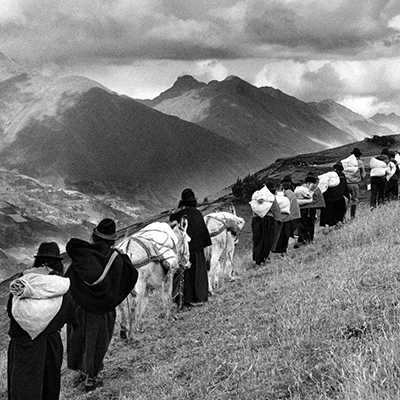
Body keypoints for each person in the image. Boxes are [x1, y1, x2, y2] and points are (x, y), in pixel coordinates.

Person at [66, 218, 138, 392]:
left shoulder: (82, 255)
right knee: (97, 342)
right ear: (112, 240)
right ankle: (91, 378)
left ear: (94, 236)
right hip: (103, 310)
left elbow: (69, 278)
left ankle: (82, 370)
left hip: (81, 307)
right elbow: (131, 275)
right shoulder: (117, 260)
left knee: (80, 339)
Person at [7, 242, 78, 400]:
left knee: (22, 387)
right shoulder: (59, 283)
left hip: (22, 343)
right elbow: (67, 311)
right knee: (49, 387)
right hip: (49, 344)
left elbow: (10, 310)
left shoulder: (23, 280)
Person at [170, 188, 211, 309]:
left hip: (182, 251)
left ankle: (183, 298)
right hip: (197, 249)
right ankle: (199, 296)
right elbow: (203, 232)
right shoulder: (197, 214)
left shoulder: (177, 215)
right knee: (198, 272)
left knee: (184, 274)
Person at [250, 180, 282, 265]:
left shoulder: (256, 196)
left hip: (256, 219)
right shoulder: (271, 197)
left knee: (257, 239)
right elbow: (276, 209)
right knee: (267, 239)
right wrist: (278, 219)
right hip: (268, 219)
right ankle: (264, 257)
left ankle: (257, 258)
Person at [294, 172, 325, 246]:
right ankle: (309, 239)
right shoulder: (315, 188)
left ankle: (301, 239)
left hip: (301, 208)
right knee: (310, 224)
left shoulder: (301, 188)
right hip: (311, 209)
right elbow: (318, 197)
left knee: (301, 223)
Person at [272, 176, 301, 255]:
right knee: (290, 231)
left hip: (290, 215)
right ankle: (294, 242)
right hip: (296, 214)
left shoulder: (286, 193)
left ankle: (282, 251)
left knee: (284, 233)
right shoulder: (291, 192)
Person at [319, 162, 350, 228]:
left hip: (328, 199)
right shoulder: (342, 175)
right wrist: (348, 197)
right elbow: (345, 187)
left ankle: (327, 226)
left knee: (328, 214)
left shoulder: (329, 176)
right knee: (339, 214)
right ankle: (337, 225)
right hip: (339, 198)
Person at [343, 147, 366, 218]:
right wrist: (360, 178)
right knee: (354, 200)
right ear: (359, 155)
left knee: (345, 201)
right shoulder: (360, 163)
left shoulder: (347, 162)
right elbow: (363, 174)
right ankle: (352, 216)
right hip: (354, 184)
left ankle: (342, 217)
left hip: (345, 184)